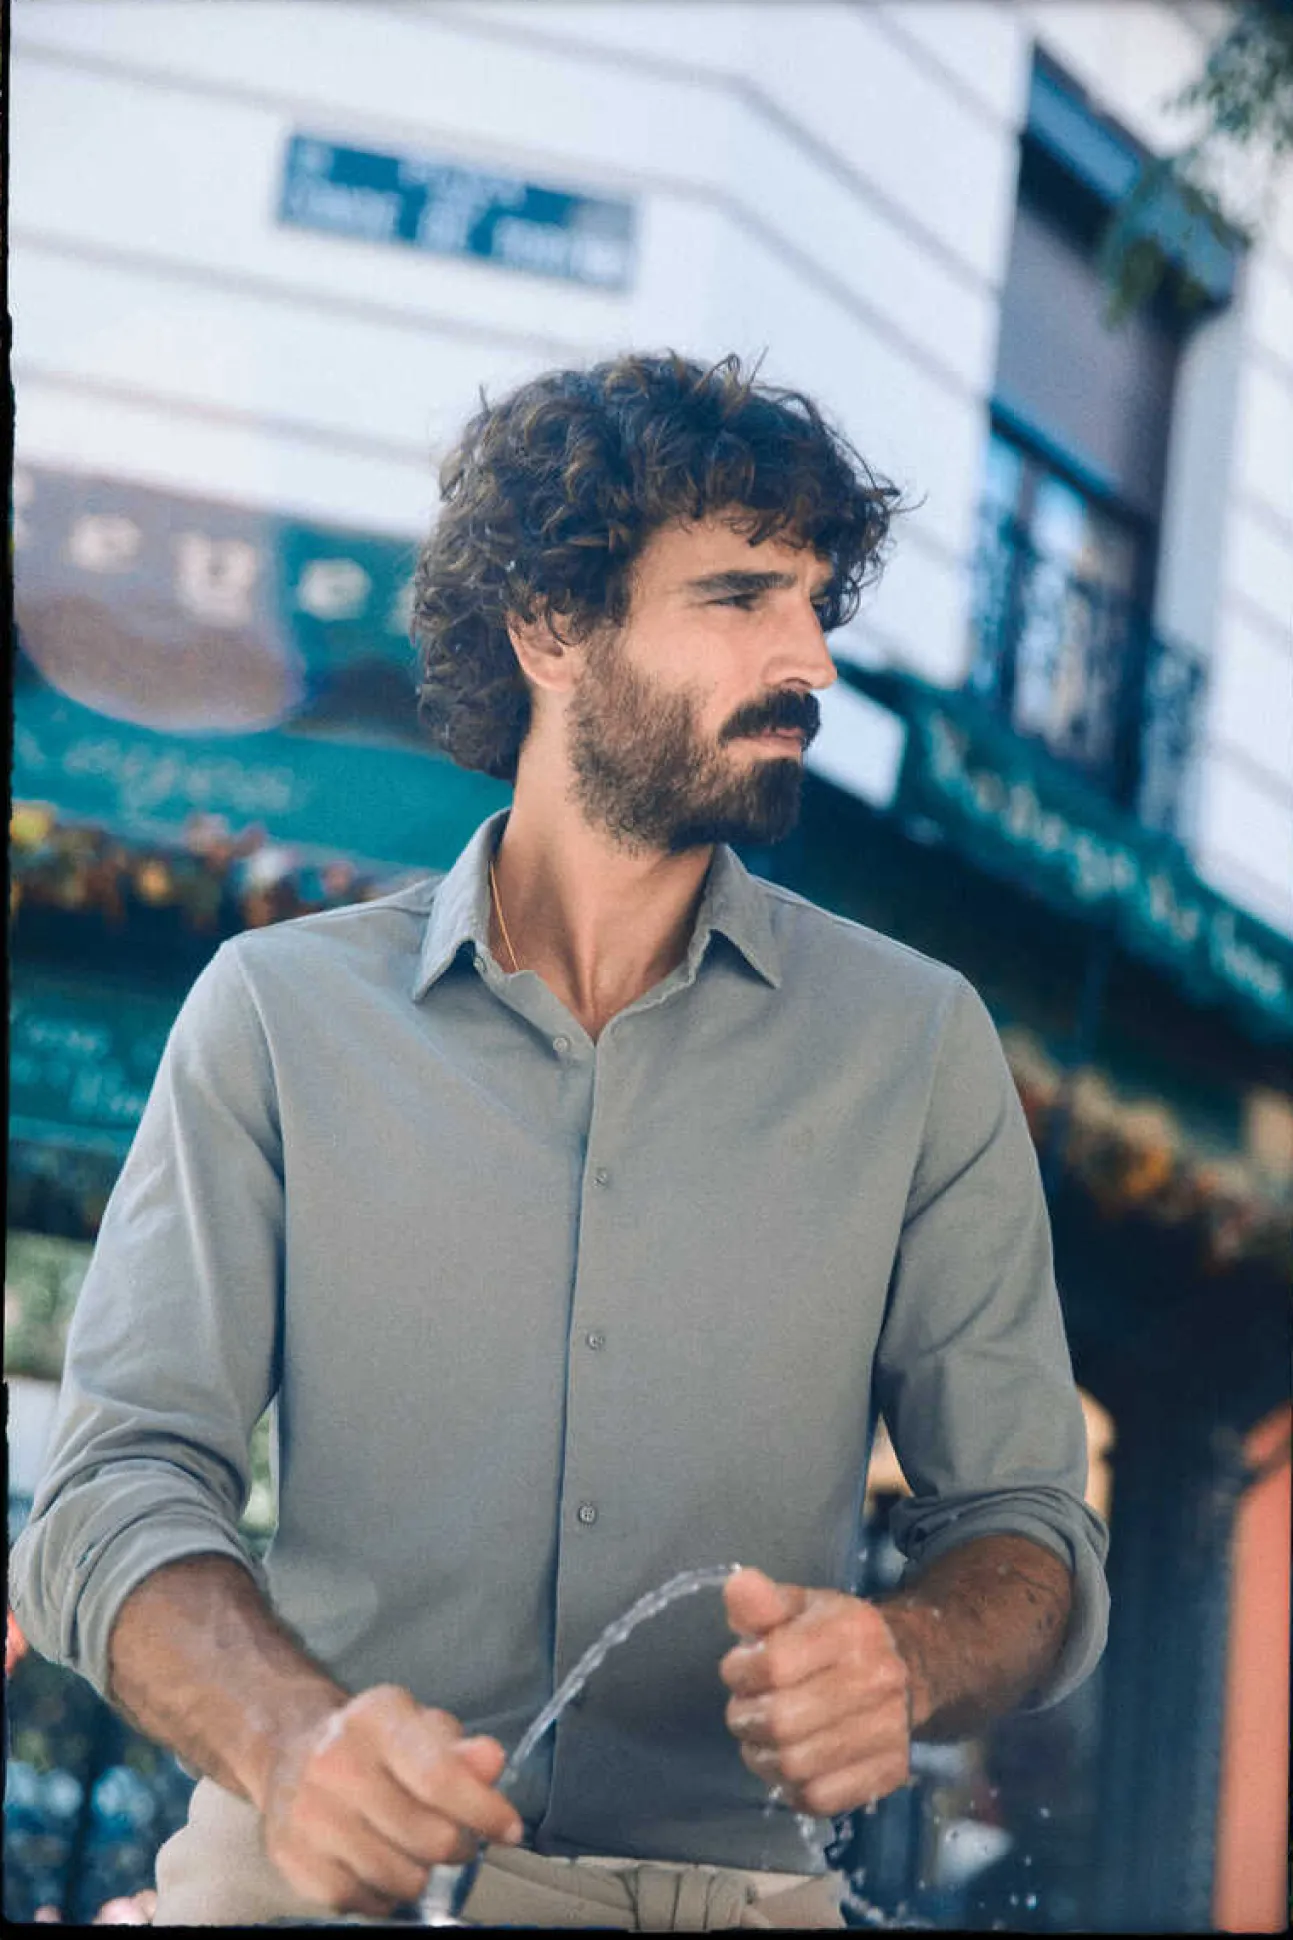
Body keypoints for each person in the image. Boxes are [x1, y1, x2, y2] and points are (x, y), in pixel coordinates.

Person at [10, 352, 1109, 1929]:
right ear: (549, 628)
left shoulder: (919, 1047)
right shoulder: (275, 1016)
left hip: (733, 1902)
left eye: (815, 603)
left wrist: (911, 1655)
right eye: (740, 597)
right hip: (313, 1888)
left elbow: (1029, 1531)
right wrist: (291, 1740)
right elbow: (114, 1490)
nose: (809, 657)